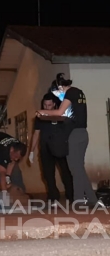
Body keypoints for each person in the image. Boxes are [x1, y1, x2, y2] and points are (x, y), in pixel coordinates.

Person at [36, 73, 105, 207]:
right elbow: (68, 116)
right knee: (79, 168)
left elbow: (59, 112)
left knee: (75, 169)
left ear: (60, 88)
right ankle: (92, 199)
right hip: (83, 133)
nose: (57, 96)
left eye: (56, 93)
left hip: (75, 135)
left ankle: (78, 200)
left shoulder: (70, 94)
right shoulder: (79, 93)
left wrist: (42, 112)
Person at [29, 93, 74, 206]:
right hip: (45, 149)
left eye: (49, 105)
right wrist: (31, 151)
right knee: (48, 175)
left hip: (60, 148)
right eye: (45, 105)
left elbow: (69, 131)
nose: (47, 107)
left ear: (54, 104)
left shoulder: (60, 115)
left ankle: (71, 196)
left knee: (66, 173)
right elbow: (36, 134)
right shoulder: (40, 118)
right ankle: (53, 197)